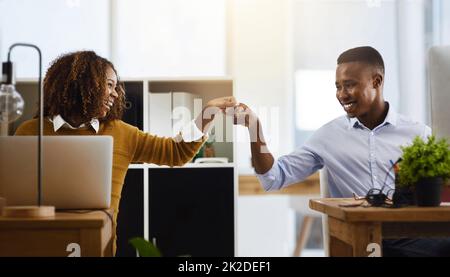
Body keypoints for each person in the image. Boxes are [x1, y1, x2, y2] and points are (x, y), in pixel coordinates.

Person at [234, 46, 450, 257]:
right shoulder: (329, 136)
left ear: (377, 81)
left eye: (349, 85)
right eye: (338, 87)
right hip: (363, 239)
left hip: (414, 234)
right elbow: (273, 177)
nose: (341, 95)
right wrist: (254, 129)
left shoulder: (417, 133)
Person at [14, 50, 236, 255]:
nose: (115, 94)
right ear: (81, 84)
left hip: (97, 247)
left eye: (115, 87)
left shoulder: (122, 133)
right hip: (35, 244)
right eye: (108, 85)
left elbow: (175, 152)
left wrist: (207, 114)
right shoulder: (30, 132)